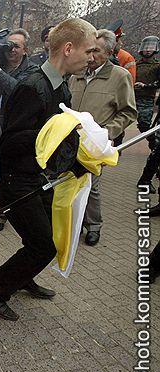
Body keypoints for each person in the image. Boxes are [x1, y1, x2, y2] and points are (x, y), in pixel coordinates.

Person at [0, 18, 97, 321]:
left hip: (39, 178)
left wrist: (79, 162)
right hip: (16, 180)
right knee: (43, 245)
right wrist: (52, 134)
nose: (92, 57)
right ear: (68, 48)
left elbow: (61, 137)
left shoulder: (61, 86)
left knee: (46, 239)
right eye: (88, 51)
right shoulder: (33, 87)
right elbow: (8, 141)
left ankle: (22, 277)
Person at [69, 29, 137, 246]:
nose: (90, 55)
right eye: (89, 50)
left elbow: (128, 112)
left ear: (107, 52)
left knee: (91, 185)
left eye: (95, 51)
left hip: (96, 144)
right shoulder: (75, 74)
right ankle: (75, 222)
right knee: (71, 181)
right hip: (70, 141)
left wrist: (106, 133)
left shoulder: (120, 76)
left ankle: (94, 225)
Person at [0, 28, 38, 233]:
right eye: (8, 45)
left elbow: (20, 91)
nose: (10, 50)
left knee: (7, 170)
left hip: (15, 124)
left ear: (25, 49)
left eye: (16, 46)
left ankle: (2, 212)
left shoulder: (32, 70)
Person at [135, 36, 160, 197]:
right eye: (146, 46)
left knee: (145, 126)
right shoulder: (135, 65)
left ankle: (154, 146)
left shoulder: (157, 66)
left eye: (151, 47)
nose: (148, 49)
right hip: (131, 97)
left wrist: (146, 86)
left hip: (146, 98)